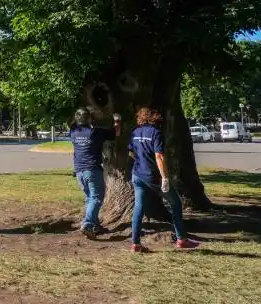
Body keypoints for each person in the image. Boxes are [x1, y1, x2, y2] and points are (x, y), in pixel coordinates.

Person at [130, 107, 199, 252]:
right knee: (176, 204)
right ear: (153, 118)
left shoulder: (135, 132)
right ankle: (182, 239)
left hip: (137, 175)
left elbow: (131, 152)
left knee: (138, 208)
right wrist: (165, 178)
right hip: (152, 176)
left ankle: (135, 244)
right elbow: (159, 156)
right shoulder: (156, 132)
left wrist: (140, 160)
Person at [69, 107, 119, 238]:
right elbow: (115, 133)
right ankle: (88, 223)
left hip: (79, 171)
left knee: (89, 198)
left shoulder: (73, 132)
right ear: (89, 118)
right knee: (96, 197)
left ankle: (95, 226)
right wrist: (117, 120)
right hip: (92, 170)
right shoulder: (95, 133)